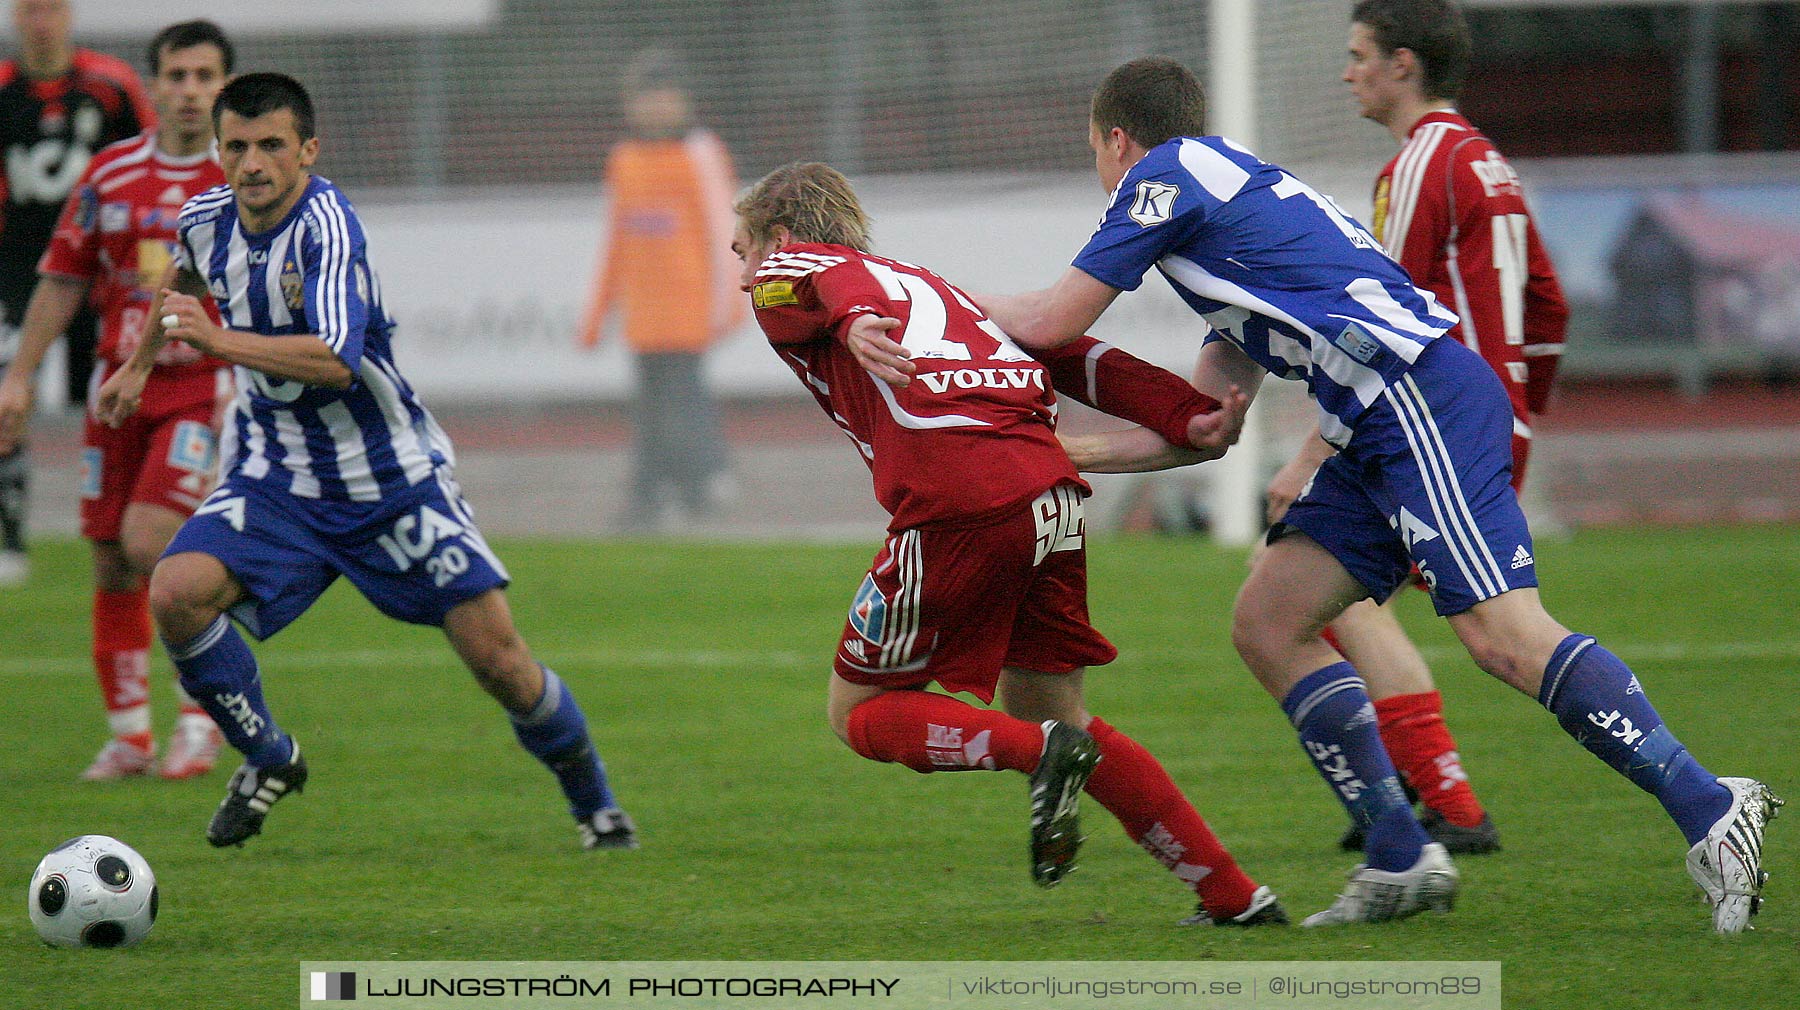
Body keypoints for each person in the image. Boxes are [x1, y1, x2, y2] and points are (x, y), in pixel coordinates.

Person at [849, 57, 1780, 933]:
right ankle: (1399, 854)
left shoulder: (1165, 175)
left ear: (1119, 141)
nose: (1100, 170)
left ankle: (1710, 804)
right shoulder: (1232, 203)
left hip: (1413, 397)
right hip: (1375, 421)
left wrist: (927, 303)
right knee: (1270, 621)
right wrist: (1059, 453)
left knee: (1504, 636)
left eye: (1094, 150)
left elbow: (1053, 319)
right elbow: (1208, 427)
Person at [94, 73, 636, 852]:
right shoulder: (206, 219)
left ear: (307, 149)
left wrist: (216, 342)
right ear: (218, 152)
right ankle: (270, 756)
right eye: (237, 147)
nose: (253, 164)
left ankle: (596, 804)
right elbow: (178, 282)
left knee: (500, 663)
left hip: (390, 483)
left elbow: (336, 359)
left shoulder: (328, 226)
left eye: (272, 145)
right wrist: (141, 364)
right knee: (176, 592)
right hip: (277, 476)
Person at [734, 160, 1284, 927]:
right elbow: (1067, 353)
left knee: (859, 711)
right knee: (1059, 709)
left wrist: (854, 320)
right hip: (1053, 503)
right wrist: (1181, 409)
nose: (743, 276)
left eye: (741, 251)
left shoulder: (801, 273)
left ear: (779, 236)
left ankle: (1037, 755)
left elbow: (813, 275)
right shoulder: (935, 289)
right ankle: (1233, 894)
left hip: (964, 503)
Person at [1272, 0, 1574, 856]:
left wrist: (1308, 453)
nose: (1347, 71)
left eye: (1359, 54)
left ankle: (1445, 804)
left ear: (1403, 65)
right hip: (1487, 422)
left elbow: (1381, 324)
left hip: (1432, 431)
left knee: (1328, 600)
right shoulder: (1489, 164)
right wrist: (1518, 412)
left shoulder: (1419, 169)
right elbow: (1550, 307)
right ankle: (1424, 797)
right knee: (1334, 595)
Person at [0, 20, 235, 781]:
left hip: (199, 389)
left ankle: (202, 720)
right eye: (178, 75)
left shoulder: (239, 182)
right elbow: (64, 277)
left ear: (224, 87)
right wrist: (20, 375)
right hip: (116, 389)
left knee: (150, 542)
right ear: (154, 85)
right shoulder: (109, 173)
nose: (191, 91)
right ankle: (131, 737)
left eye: (206, 77)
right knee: (109, 560)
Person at [0, 0, 154, 586]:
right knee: (10, 394)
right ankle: (12, 534)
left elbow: (151, 163)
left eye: (52, 9)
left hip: (102, 273)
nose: (42, 21)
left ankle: (130, 518)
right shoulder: (4, 90)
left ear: (69, 15)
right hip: (19, 271)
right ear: (17, 18)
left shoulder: (112, 85)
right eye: (30, 10)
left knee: (115, 392)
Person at [577, 50, 741, 530]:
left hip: (689, 307)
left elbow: (722, 230)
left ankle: (673, 489)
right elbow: (616, 244)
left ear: (684, 101)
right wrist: (597, 314)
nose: (654, 107)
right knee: (656, 407)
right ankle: (684, 489)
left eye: (663, 96)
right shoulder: (624, 160)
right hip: (644, 314)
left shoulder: (701, 153)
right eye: (644, 97)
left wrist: (730, 301)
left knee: (680, 400)